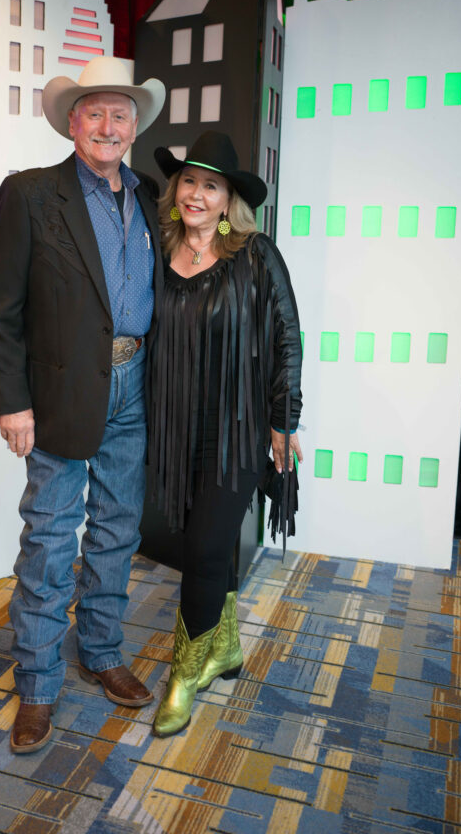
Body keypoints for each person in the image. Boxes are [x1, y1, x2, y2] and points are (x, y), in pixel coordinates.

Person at [0, 57, 166, 754]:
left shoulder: (147, 195)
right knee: (51, 538)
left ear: (135, 126)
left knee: (118, 528)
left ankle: (102, 650)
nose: (107, 125)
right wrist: (13, 402)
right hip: (58, 392)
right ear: (71, 122)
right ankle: (36, 685)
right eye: (95, 113)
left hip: (134, 384)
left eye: (120, 114)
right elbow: (0, 309)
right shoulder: (30, 195)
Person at [147, 130, 304, 737]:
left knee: (207, 549)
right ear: (176, 189)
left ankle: (185, 674)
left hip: (236, 429)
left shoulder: (255, 254)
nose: (196, 194)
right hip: (173, 426)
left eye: (210, 185)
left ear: (227, 199)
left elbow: (286, 338)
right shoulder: (159, 249)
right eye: (188, 181)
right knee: (197, 541)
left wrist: (284, 420)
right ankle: (226, 647)